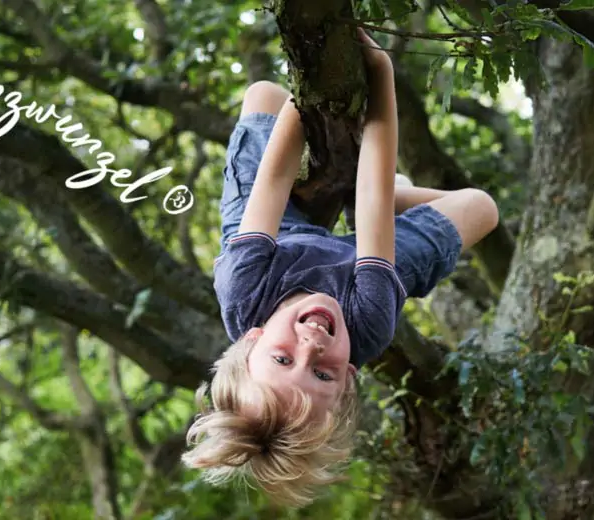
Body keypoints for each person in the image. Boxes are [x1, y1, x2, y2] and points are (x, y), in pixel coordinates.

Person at [181, 29, 499, 507]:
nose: (312, 347)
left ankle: (370, 189)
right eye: (324, 375)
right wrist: (381, 73)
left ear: (253, 340)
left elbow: (274, 177)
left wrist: (309, 91)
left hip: (277, 231)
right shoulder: (368, 322)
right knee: (483, 208)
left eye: (284, 359)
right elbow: (371, 205)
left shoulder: (242, 288)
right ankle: (396, 194)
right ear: (350, 375)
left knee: (263, 94)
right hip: (359, 264)